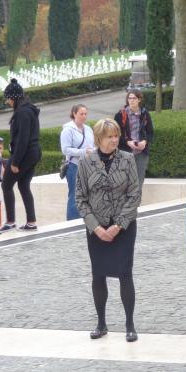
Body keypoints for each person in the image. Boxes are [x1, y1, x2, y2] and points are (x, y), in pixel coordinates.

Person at [76, 118, 142, 342]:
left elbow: (134, 195)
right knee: (98, 274)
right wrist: (95, 227)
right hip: (96, 229)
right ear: (98, 139)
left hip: (123, 227)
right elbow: (80, 198)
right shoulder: (86, 162)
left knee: (125, 273)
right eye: (109, 137)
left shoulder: (127, 159)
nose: (114, 140)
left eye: (116, 136)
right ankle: (101, 322)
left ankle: (130, 324)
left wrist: (118, 225)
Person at [0, 78, 42, 232]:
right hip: (33, 152)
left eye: (8, 99)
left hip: (25, 154)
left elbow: (23, 139)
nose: (7, 102)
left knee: (6, 184)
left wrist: (15, 162)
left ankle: (10, 221)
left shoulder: (22, 112)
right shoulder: (28, 109)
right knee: (23, 185)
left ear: (14, 98)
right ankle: (31, 222)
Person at [60, 104, 95, 220]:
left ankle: (85, 218)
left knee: (87, 194)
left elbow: (93, 145)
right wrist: (84, 152)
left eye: (85, 114)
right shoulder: (67, 130)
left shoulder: (88, 129)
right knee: (75, 194)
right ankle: (72, 221)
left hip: (87, 166)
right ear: (74, 114)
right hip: (73, 166)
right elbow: (65, 149)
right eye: (81, 114)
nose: (84, 116)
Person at [115, 89, 154, 187]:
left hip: (141, 153)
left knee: (138, 182)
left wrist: (144, 142)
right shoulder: (120, 115)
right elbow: (115, 135)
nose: (131, 100)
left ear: (139, 100)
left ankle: (136, 202)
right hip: (125, 152)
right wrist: (128, 143)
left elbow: (150, 133)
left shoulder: (145, 114)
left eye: (134, 98)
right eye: (129, 98)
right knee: (124, 183)